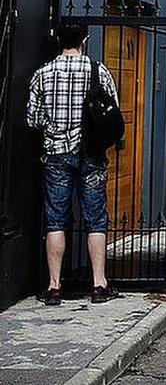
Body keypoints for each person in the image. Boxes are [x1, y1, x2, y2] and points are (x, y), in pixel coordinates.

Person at [27, 22, 120, 305]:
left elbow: (32, 119)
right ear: (85, 39)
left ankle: (54, 286)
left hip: (56, 154)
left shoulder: (42, 74)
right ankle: (99, 284)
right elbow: (112, 112)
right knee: (96, 219)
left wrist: (54, 126)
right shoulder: (97, 70)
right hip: (91, 152)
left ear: (57, 39)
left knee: (55, 219)